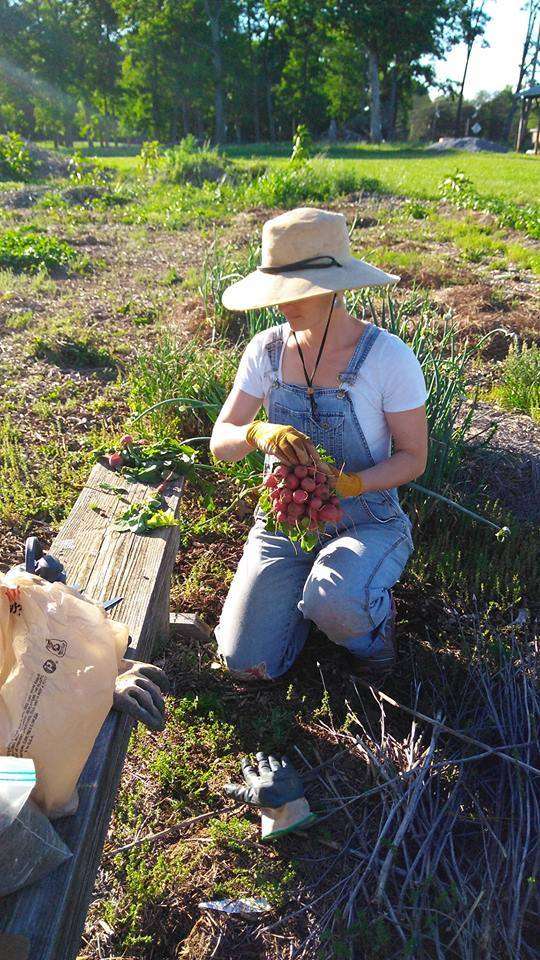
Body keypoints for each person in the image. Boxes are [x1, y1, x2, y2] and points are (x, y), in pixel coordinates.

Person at [210, 207, 428, 681]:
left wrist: (351, 484)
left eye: (298, 291)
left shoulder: (387, 358)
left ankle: (373, 633)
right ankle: (307, 609)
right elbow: (220, 441)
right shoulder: (265, 351)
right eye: (279, 291)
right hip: (284, 521)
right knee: (244, 662)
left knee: (336, 601)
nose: (283, 305)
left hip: (366, 520)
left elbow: (414, 459)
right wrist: (255, 432)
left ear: (336, 287)